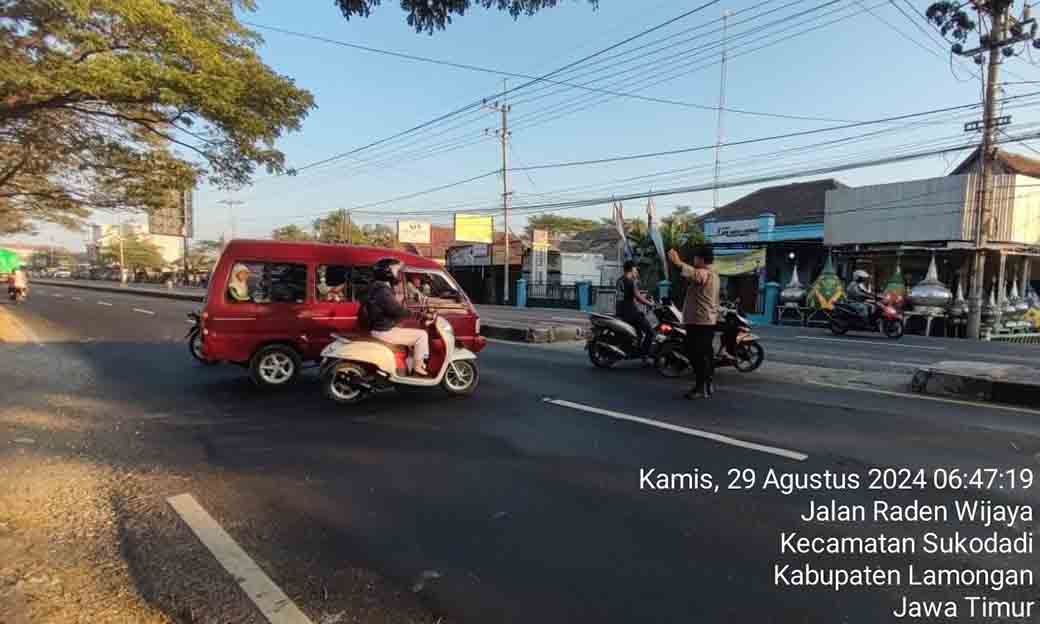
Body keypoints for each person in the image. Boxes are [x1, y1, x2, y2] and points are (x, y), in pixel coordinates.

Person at [668, 246, 720, 400]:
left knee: (695, 355)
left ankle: (700, 387)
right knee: (706, 355)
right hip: (707, 321)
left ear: (702, 259)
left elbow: (696, 275)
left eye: (696, 258)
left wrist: (678, 263)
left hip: (699, 322)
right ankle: (707, 384)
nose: (694, 260)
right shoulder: (715, 275)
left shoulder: (704, 273)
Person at [368, 258, 430, 376]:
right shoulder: (382, 291)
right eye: (396, 270)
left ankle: (408, 364)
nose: (398, 273)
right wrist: (417, 314)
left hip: (382, 327)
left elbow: (394, 308)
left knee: (411, 336)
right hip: (384, 330)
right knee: (422, 335)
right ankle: (417, 366)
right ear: (387, 272)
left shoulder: (379, 288)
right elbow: (397, 311)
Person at [616, 261, 655, 357]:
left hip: (621, 310)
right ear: (632, 269)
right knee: (650, 332)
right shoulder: (630, 281)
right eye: (635, 269)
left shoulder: (620, 279)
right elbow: (637, 296)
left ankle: (635, 349)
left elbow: (632, 294)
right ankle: (644, 353)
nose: (636, 271)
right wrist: (649, 303)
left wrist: (644, 297)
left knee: (639, 334)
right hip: (630, 312)